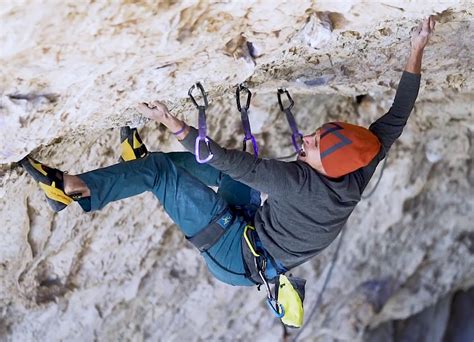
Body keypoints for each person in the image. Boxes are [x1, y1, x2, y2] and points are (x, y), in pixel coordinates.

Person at [21, 17, 435, 288]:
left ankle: (75, 190)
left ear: (323, 171)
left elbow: (227, 160)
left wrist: (173, 122)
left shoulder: (297, 183)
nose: (304, 139)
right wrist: (418, 45)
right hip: (260, 232)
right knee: (189, 173)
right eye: (316, 135)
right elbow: (398, 115)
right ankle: (139, 169)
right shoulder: (360, 163)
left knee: (166, 172)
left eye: (311, 147)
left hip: (236, 256)